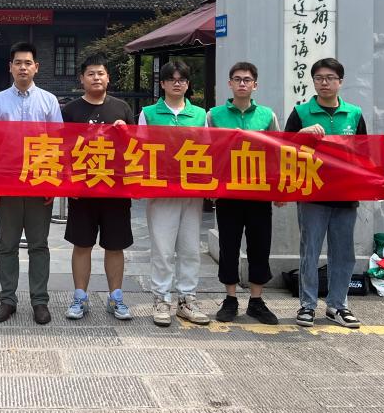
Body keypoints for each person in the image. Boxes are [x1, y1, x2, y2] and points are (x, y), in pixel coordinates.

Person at [284, 57, 367, 330]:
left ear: (340, 82)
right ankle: (307, 305)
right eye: (319, 78)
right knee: (310, 251)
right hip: (312, 194)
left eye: (330, 78)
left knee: (343, 253)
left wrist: (380, 177)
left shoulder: (354, 114)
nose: (324, 83)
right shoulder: (301, 113)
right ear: (313, 81)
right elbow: (283, 149)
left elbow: (365, 153)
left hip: (345, 194)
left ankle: (337, 306)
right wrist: (301, 134)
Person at [0, 42, 62, 325]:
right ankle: (8, 300)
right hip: (7, 183)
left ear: (36, 67)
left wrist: (53, 182)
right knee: (8, 244)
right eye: (18, 63)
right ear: (10, 67)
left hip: (40, 182)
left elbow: (57, 142)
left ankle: (39, 301)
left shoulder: (49, 101)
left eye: (28, 63)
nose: (23, 68)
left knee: (39, 245)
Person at [61, 54, 135, 321]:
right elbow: (61, 149)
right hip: (82, 191)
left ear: (108, 78)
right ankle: (80, 297)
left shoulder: (122, 108)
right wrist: (67, 184)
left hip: (115, 191)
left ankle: (116, 297)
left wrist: (126, 132)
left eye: (100, 73)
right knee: (82, 245)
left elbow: (137, 148)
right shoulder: (70, 111)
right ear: (81, 79)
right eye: (90, 74)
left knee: (115, 246)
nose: (96, 78)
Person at [206, 61, 280, 325]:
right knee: (229, 246)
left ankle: (256, 301)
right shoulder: (214, 115)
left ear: (255, 85)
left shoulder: (267, 115)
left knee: (260, 246)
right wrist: (211, 186)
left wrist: (279, 189)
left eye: (247, 80)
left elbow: (277, 152)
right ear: (229, 83)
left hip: (259, 193)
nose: (242, 84)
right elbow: (207, 151)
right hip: (228, 193)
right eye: (237, 79)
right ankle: (230, 299)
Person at [139, 60, 210, 327]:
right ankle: (161, 298)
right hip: (161, 190)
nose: (177, 83)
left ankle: (187, 299)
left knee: (190, 248)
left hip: (191, 190)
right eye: (172, 79)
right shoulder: (149, 113)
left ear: (188, 84)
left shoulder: (201, 115)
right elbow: (140, 148)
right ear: (163, 84)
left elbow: (209, 149)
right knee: (162, 248)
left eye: (182, 79)